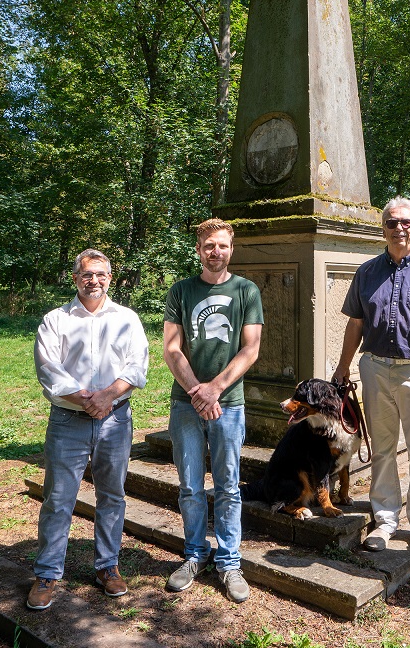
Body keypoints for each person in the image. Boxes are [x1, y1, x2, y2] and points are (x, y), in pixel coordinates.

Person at [333, 197, 410, 554]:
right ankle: (385, 520)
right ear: (383, 229)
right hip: (375, 368)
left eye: (406, 222)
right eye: (391, 222)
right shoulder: (367, 272)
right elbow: (355, 323)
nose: (399, 228)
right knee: (384, 449)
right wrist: (343, 367)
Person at [27, 249, 150, 610]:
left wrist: (108, 396)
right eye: (86, 274)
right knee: (58, 499)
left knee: (112, 496)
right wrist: (87, 399)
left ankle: (108, 567)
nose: (93, 280)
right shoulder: (56, 320)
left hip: (115, 420)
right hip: (68, 422)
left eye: (100, 274)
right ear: (75, 278)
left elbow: (137, 365)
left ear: (110, 277)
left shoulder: (128, 319)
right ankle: (47, 573)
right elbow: (48, 368)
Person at [163, 218, 263, 602]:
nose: (215, 252)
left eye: (222, 245)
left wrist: (215, 390)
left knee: (227, 487)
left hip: (229, 405)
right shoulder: (182, 290)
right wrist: (196, 392)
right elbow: (172, 348)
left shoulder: (246, 291)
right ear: (199, 249)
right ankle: (194, 554)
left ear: (231, 248)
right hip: (186, 404)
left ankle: (229, 561)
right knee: (190, 485)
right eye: (208, 246)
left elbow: (250, 348)